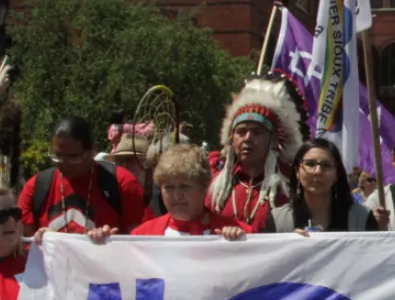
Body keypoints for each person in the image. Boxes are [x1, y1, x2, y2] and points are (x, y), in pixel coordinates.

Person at [207, 73, 307, 232]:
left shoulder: (292, 185)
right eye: (241, 132)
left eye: (257, 132)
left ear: (273, 139)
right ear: (232, 139)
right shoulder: (214, 184)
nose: (248, 138)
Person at [20, 116, 145, 240]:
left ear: (90, 152)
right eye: (57, 156)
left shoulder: (122, 183)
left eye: (73, 157)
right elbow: (23, 246)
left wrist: (113, 242)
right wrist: (42, 239)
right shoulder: (36, 187)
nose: (64, 164)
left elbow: (144, 241)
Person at [87, 145, 248, 240]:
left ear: (204, 186)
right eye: (168, 187)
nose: (176, 196)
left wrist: (242, 247)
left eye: (185, 187)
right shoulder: (143, 235)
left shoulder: (236, 232)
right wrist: (101, 245)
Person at [264, 139, 378, 233]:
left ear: (337, 174)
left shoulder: (361, 218)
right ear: (297, 172)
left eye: (326, 165)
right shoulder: (278, 221)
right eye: (310, 164)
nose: (318, 171)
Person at [0, 187, 25, 300]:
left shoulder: (40, 259)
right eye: (1, 216)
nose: (11, 221)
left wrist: (97, 243)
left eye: (14, 213)